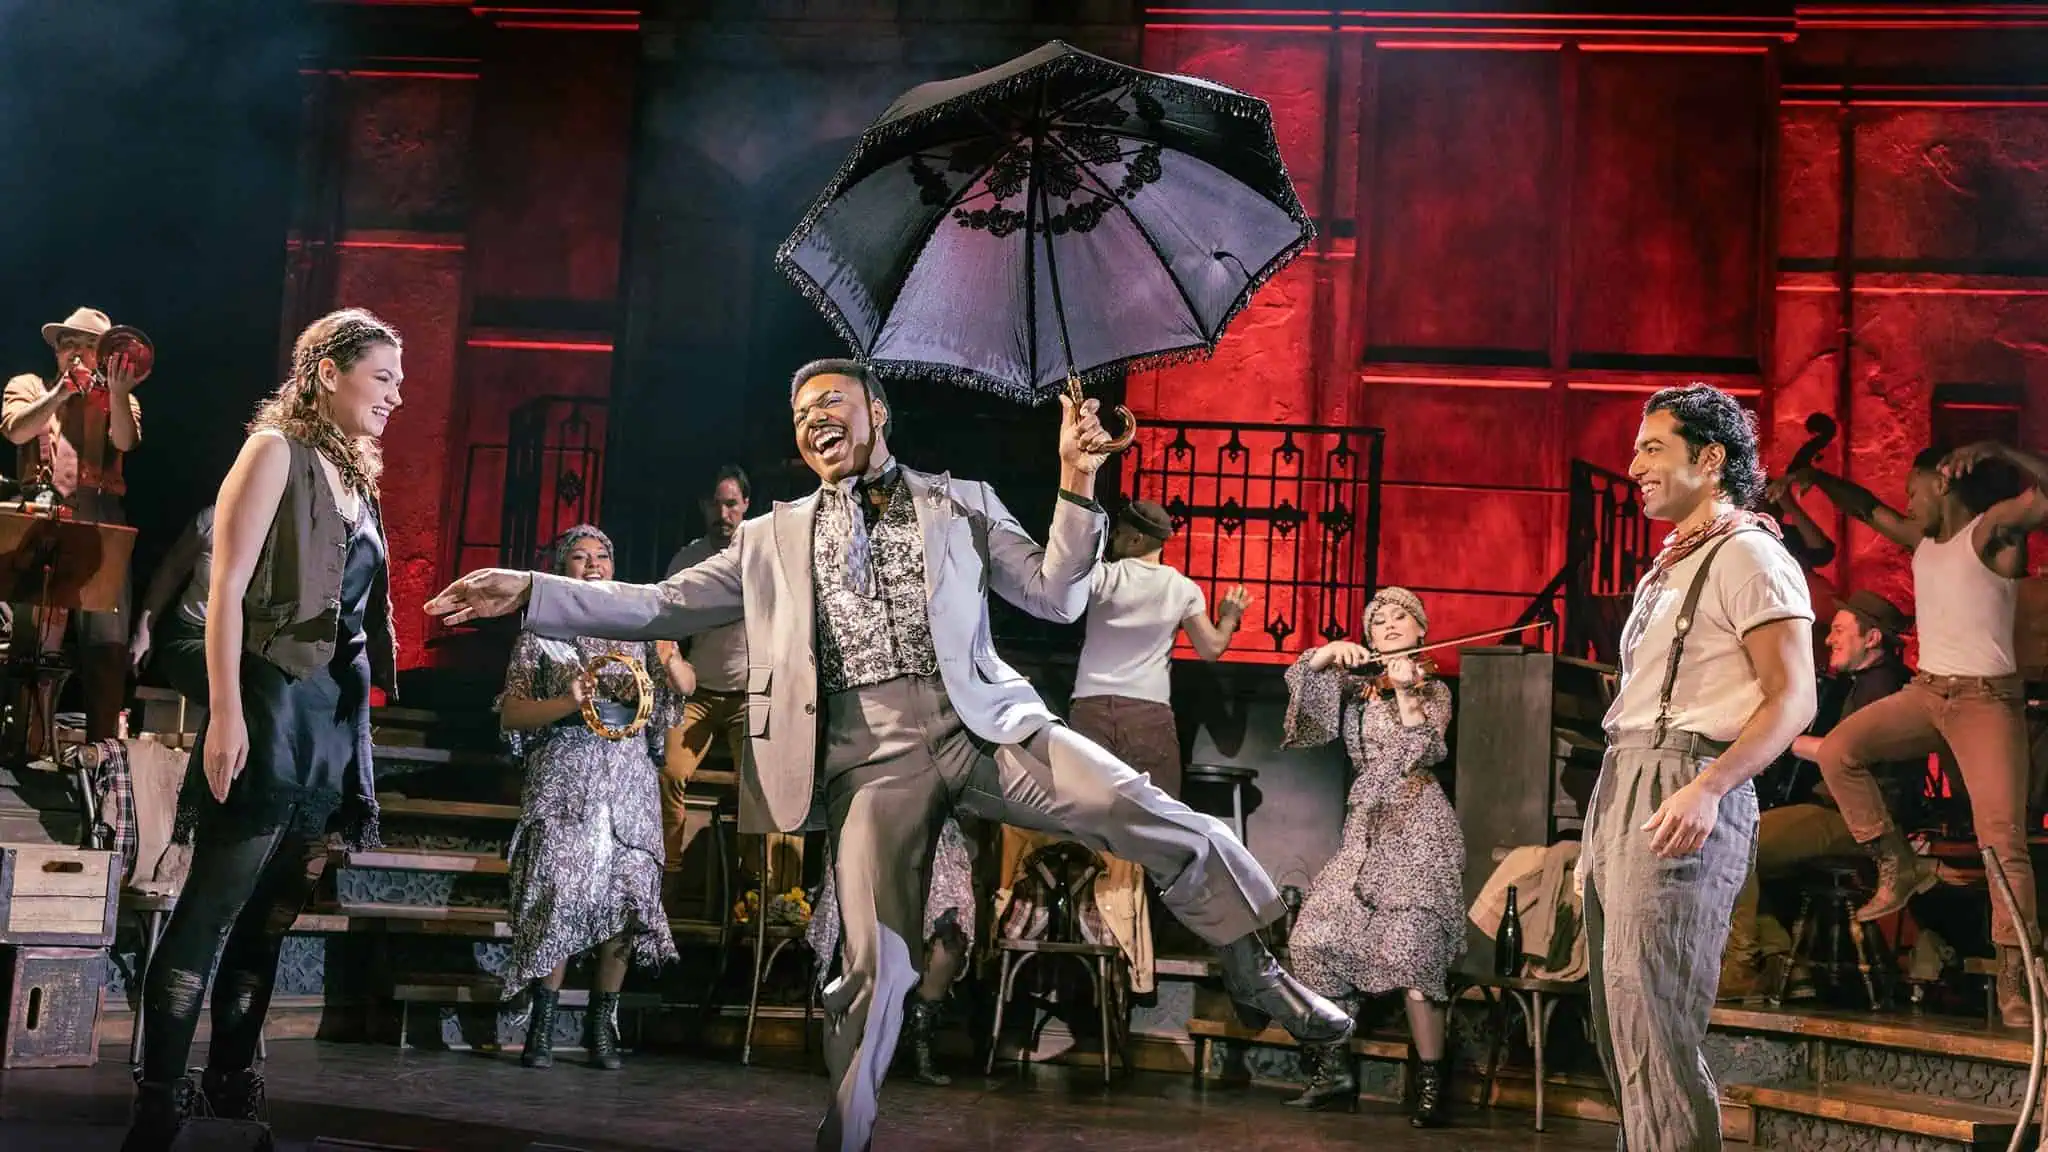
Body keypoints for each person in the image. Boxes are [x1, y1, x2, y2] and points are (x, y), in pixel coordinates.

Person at [427, 358, 1350, 1152]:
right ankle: (846, 1133)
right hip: (871, 758)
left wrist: (1077, 475)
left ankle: (1253, 963)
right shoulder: (770, 536)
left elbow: (1057, 596)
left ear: (878, 412)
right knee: (874, 967)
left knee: (1147, 810)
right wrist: (531, 590)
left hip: (984, 725)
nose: (815, 420)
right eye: (801, 414)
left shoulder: (961, 500)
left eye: (831, 402)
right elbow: (661, 605)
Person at [123, 309, 403, 1152]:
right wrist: (226, 713)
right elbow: (227, 590)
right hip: (270, 697)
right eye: (383, 377)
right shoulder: (275, 450)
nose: (396, 396)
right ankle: (158, 1102)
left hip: (331, 716)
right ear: (328, 373)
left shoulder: (358, 476)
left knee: (270, 921)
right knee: (210, 913)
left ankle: (231, 1087)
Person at [1585, 384, 1815, 1151]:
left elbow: (1794, 698)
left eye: (1653, 448)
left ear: (1710, 458)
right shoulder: (1668, 567)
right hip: (1625, 778)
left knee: (1655, 1013)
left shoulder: (1749, 554)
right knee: (1620, 1013)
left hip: (1684, 778)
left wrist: (1710, 786)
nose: (1634, 466)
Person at [1796, 441, 2048, 1026]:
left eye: (1913, 490)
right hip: (1927, 694)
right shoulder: (1924, 541)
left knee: (2001, 842)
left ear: (1943, 484)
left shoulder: (1991, 534)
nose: (1906, 503)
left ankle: (2015, 977)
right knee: (1840, 751)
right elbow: (1866, 508)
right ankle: (1898, 864)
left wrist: (2000, 449)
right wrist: (1818, 479)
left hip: (1986, 703)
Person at [497, 525, 680, 1070]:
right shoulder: (543, 632)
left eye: (602, 556)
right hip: (566, 779)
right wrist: (568, 702)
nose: (593, 564)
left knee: (628, 896)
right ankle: (543, 1024)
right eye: (579, 557)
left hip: (628, 783)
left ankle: (603, 1024)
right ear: (561, 570)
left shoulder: (639, 632)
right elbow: (512, 712)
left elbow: (670, 705)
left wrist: (670, 661)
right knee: (559, 891)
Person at [1278, 587, 1462, 1126]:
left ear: (1421, 629)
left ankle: (1431, 1084)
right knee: (1312, 940)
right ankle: (1334, 1071)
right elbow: (1305, 706)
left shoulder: (1431, 687)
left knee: (1414, 955)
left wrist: (1406, 694)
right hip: (1365, 830)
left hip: (1419, 826)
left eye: (1401, 617)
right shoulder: (1358, 687)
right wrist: (1326, 653)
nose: (1390, 625)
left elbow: (1425, 749)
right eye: (1378, 621)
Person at [1717, 590, 1916, 1002]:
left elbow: (1843, 753)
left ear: (1872, 639)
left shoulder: (1885, 689)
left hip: (1855, 818)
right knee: (1740, 839)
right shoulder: (1862, 685)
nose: (1829, 639)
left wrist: (1780, 736)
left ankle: (1744, 966)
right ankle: (1784, 963)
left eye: (1840, 630)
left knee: (1737, 845)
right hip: (1839, 811)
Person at [3, 306, 146, 739]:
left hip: (101, 524)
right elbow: (16, 431)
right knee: (30, 647)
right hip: (42, 519)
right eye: (69, 344)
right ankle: (25, 744)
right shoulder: (30, 387)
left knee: (106, 647)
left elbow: (126, 442)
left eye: (88, 346)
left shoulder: (120, 399)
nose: (77, 353)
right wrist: (60, 394)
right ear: (57, 352)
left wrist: (118, 393)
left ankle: (103, 751)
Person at [1070, 497, 1248, 799]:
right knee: (1156, 811)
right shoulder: (1182, 588)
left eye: (1119, 533)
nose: (1113, 539)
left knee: (1088, 807)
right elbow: (1211, 649)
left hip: (1090, 707)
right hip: (1148, 714)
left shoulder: (1102, 577)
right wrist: (1229, 617)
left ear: (1136, 539)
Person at [659, 464, 766, 907]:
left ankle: (752, 883)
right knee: (669, 771)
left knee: (759, 783)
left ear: (746, 505)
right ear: (704, 507)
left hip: (749, 695)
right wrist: (673, 659)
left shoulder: (765, 555)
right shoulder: (688, 559)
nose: (724, 514)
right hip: (698, 693)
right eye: (716, 505)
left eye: (732, 504)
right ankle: (669, 871)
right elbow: (664, 623)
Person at [807, 815, 975, 1086]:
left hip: (931, 829)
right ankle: (855, 1038)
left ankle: (919, 1041)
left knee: (948, 926)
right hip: (869, 826)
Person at [130, 504, 215, 703]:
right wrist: (143, 631)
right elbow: (171, 570)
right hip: (192, 636)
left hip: (247, 646)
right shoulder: (214, 518)